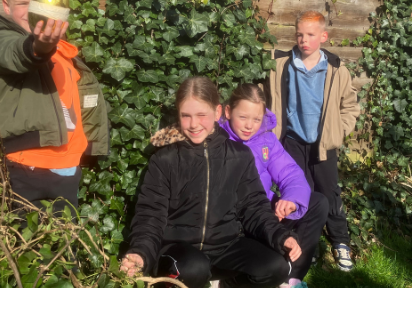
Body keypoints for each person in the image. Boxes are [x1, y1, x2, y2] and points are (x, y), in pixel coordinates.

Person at [118, 76, 302, 287]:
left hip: (226, 246)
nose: (194, 124)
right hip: (179, 251)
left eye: (201, 115)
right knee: (194, 268)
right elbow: (150, 215)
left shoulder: (239, 156)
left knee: (276, 267)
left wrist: (281, 236)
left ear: (217, 112)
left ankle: (228, 297)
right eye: (185, 116)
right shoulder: (165, 160)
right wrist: (140, 252)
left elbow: (254, 207)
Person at [0, 0, 106, 216]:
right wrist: (38, 48)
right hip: (30, 165)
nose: (32, 11)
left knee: (64, 246)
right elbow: (17, 55)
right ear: (6, 6)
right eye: (22, 3)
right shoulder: (3, 40)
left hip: (67, 166)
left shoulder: (66, 53)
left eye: (40, 3)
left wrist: (89, 148)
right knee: (33, 246)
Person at [270, 11, 360, 276]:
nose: (303, 40)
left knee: (330, 194)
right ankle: (310, 245)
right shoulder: (281, 64)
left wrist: (338, 132)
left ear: (323, 36)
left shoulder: (335, 69)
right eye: (299, 34)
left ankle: (340, 242)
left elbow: (349, 105)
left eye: (310, 35)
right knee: (301, 194)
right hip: (292, 142)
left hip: (324, 144)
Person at [217, 82, 310, 287]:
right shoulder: (219, 141)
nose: (250, 125)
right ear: (228, 111)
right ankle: (241, 277)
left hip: (267, 207)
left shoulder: (266, 138)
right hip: (243, 214)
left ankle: (293, 274)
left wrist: (290, 200)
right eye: (243, 117)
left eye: (257, 119)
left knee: (318, 203)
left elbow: (290, 172)